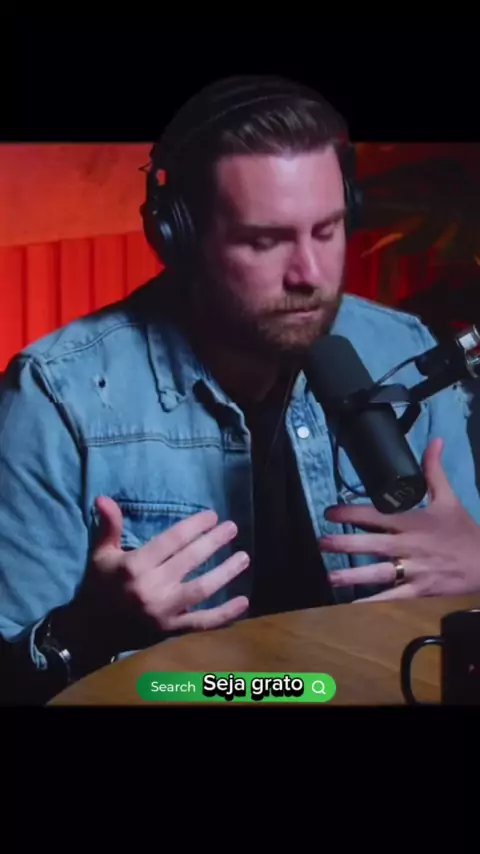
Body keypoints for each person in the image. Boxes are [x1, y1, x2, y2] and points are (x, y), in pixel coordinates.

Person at [1, 75, 480, 702]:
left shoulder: (403, 350)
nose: (310, 274)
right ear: (180, 237)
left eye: (328, 230)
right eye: (264, 240)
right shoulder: (57, 396)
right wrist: (87, 627)